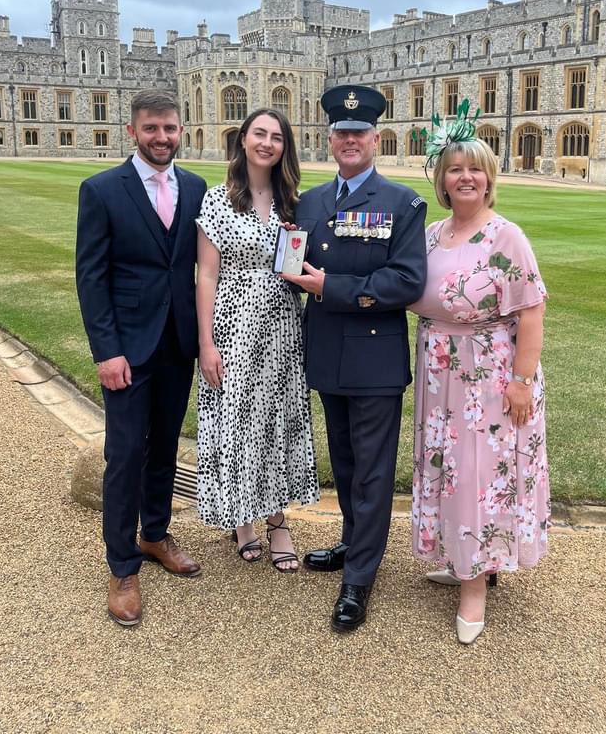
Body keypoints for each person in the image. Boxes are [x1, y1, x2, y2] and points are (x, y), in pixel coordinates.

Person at [288, 84, 427, 632]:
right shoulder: (311, 202)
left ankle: (359, 579)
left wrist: (332, 287)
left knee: (371, 471)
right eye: (341, 133)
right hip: (326, 352)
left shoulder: (402, 204)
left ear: (375, 139)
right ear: (330, 139)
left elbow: (406, 280)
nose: (350, 140)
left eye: (359, 133)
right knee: (344, 462)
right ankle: (352, 541)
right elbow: (294, 267)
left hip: (373, 356)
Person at [409, 118, 550, 645]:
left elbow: (532, 311)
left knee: (478, 471)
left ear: (489, 179)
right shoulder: (430, 235)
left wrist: (521, 381)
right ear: (442, 180)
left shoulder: (505, 236)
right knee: (448, 468)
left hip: (487, 374)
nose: (465, 178)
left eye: (475, 170)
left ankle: (475, 584)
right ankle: (460, 555)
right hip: (438, 368)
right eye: (455, 170)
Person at [76, 90, 207, 627]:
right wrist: (106, 351)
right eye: (151, 129)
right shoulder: (103, 190)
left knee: (164, 448)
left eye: (170, 129)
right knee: (125, 453)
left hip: (177, 343)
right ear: (133, 131)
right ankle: (121, 565)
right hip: (127, 349)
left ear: (182, 130)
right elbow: (92, 276)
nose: (161, 138)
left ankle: (154, 535)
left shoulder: (196, 187)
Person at [195, 109, 318, 572]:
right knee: (238, 419)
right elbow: (206, 273)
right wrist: (206, 344)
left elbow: (295, 268)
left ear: (285, 146)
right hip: (232, 321)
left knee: (276, 419)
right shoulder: (217, 199)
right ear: (243, 139)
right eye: (259, 134)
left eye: (277, 137)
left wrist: (294, 247)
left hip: (282, 324)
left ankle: (278, 519)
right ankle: (243, 517)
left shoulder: (293, 202)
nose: (267, 143)